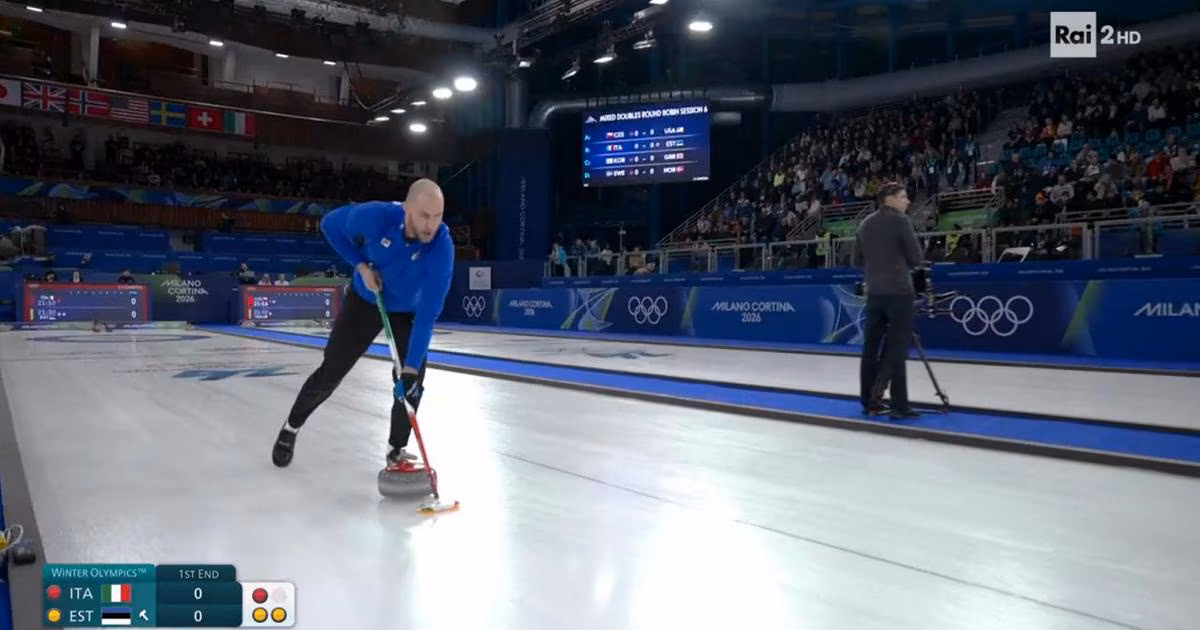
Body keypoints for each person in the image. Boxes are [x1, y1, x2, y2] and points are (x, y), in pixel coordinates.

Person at [272, 178, 454, 468]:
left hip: (407, 312)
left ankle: (396, 450)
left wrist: (409, 371)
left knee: (411, 384)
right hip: (367, 300)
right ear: (406, 208)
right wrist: (360, 265)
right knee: (331, 372)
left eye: (437, 216)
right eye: (423, 215)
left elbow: (428, 314)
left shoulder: (442, 247)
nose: (431, 225)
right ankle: (291, 427)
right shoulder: (375, 217)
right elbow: (330, 225)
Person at [853, 182, 923, 419]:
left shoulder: (864, 224)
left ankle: (868, 401)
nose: (908, 201)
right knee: (897, 348)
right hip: (899, 291)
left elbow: (856, 260)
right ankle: (898, 405)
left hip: (874, 293)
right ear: (889, 199)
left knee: (870, 348)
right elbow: (916, 258)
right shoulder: (900, 221)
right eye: (903, 197)